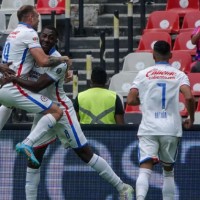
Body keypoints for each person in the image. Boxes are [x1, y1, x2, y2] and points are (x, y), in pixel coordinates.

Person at [1, 25, 134, 200]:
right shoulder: (34, 55)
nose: (46, 40)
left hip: (61, 110)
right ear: (38, 37)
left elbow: (38, 85)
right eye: (44, 36)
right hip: (44, 111)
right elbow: (14, 63)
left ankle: (123, 187)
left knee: (85, 153)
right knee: (34, 159)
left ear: (56, 41)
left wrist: (13, 80)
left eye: (51, 38)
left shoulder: (58, 61)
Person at [0, 5, 72, 166]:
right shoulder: (29, 33)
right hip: (13, 87)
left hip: (5, 87)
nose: (38, 22)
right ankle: (27, 142)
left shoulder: (12, 33)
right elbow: (43, 61)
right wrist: (64, 60)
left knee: (8, 105)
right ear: (31, 18)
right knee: (56, 111)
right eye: (37, 18)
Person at [126, 40, 195, 200]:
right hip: (171, 128)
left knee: (145, 169)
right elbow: (190, 97)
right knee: (168, 172)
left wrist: (145, 100)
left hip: (149, 128)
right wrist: (190, 118)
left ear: (153, 55)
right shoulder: (179, 75)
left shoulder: (143, 74)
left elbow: (130, 99)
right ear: (171, 55)